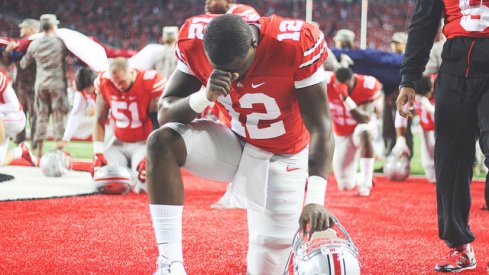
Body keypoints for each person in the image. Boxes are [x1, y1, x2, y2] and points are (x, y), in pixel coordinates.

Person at [147, 14, 335, 274]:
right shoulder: (193, 40)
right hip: (236, 142)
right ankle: (170, 264)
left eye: (238, 69)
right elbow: (165, 113)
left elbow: (321, 127)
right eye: (222, 70)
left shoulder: (294, 43)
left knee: (266, 265)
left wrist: (314, 199)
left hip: (284, 154)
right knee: (162, 141)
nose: (233, 78)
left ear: (253, 45)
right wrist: (204, 96)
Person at [397, 0, 489, 272]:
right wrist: (409, 79)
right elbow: (424, 24)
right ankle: (459, 247)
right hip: (454, 66)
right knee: (449, 162)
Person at [92, 58, 165, 193]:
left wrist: (150, 155)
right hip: (117, 143)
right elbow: (99, 120)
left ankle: (135, 172)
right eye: (115, 83)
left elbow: (158, 124)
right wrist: (98, 153)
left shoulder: (149, 82)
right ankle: (129, 173)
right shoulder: (104, 82)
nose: (119, 86)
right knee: (105, 182)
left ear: (131, 73)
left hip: (142, 144)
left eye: (122, 81)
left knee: (146, 186)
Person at [16, 14, 69, 159]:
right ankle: (59, 152)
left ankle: (38, 151)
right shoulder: (60, 42)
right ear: (53, 26)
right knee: (59, 118)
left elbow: (24, 63)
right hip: (57, 84)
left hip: (40, 84)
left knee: (41, 117)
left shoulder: (35, 44)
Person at [327, 68, 381, 196]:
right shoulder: (327, 82)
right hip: (341, 133)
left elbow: (365, 118)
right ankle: (361, 177)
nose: (346, 88)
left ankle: (365, 185)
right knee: (345, 184)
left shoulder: (366, 85)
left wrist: (345, 98)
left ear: (352, 79)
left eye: (348, 85)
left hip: (359, 127)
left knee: (364, 131)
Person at [2, 19, 39, 147]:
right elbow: (7, 63)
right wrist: (8, 52)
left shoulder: (36, 42)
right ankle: (20, 144)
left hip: (34, 85)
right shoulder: (19, 43)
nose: (21, 29)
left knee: (35, 117)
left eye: (24, 27)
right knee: (19, 114)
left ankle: (35, 144)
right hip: (19, 85)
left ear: (32, 29)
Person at [393, 77, 435, 183]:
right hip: (426, 127)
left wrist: (430, 108)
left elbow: (447, 117)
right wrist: (400, 139)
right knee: (431, 175)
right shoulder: (410, 93)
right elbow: (401, 115)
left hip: (443, 128)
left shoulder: (441, 89)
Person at [383, 31, 414, 161]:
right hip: (388, 96)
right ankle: (389, 156)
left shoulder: (409, 60)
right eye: (393, 43)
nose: (394, 45)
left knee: (405, 129)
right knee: (387, 128)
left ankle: (405, 157)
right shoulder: (389, 59)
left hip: (404, 98)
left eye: (398, 43)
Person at [0, 71, 37, 166]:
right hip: (4, 122)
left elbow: (15, 106)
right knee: (1, 162)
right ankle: (21, 150)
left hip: (16, 119)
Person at [60, 67, 98, 149]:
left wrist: (98, 110)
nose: (86, 92)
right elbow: (76, 113)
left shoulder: (104, 85)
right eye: (83, 90)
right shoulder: (82, 90)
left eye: (87, 89)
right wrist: (66, 139)